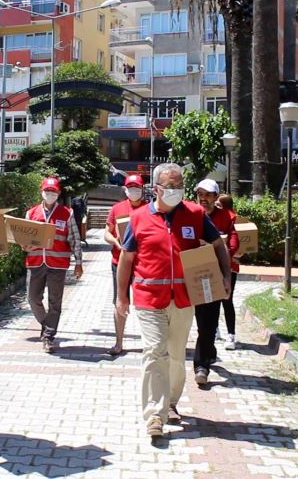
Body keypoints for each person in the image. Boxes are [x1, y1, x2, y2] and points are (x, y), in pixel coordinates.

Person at [116, 163, 232, 437]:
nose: (176, 192)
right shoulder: (140, 218)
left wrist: (225, 276)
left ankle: (170, 403)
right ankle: (154, 415)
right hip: (148, 298)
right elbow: (126, 258)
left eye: (180, 186)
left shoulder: (194, 214)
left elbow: (218, 244)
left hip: (183, 299)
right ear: (156, 188)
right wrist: (122, 297)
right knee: (155, 351)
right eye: (170, 187)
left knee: (177, 356)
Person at [24, 177, 83, 353]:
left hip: (58, 263)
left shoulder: (67, 213)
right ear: (42, 192)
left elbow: (75, 239)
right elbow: (24, 239)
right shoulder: (31, 213)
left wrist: (78, 262)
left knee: (55, 302)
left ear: (58, 194)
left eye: (53, 192)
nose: (50, 194)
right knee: (33, 298)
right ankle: (46, 324)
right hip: (35, 262)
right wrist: (24, 245)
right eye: (47, 191)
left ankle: (49, 336)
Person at [192, 180, 240, 385]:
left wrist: (216, 244)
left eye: (209, 195)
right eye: (200, 194)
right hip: (191, 272)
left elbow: (234, 244)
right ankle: (208, 350)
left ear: (216, 197)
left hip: (215, 274)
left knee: (209, 317)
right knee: (199, 319)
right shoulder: (190, 214)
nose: (204, 198)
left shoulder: (227, 217)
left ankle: (201, 366)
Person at [103, 174, 148, 356]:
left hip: (143, 263)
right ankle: (118, 341)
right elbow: (107, 232)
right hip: (119, 261)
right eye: (130, 187)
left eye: (137, 187)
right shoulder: (117, 209)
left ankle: (149, 342)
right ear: (125, 189)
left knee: (145, 302)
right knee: (119, 300)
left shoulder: (150, 209)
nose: (134, 191)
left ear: (142, 189)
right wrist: (115, 241)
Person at [216, 194, 241, 350]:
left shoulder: (232, 219)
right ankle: (217, 331)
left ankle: (230, 334)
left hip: (229, 267)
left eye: (219, 203)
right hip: (221, 265)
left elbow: (233, 245)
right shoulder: (213, 217)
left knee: (226, 299)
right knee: (217, 299)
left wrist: (221, 257)